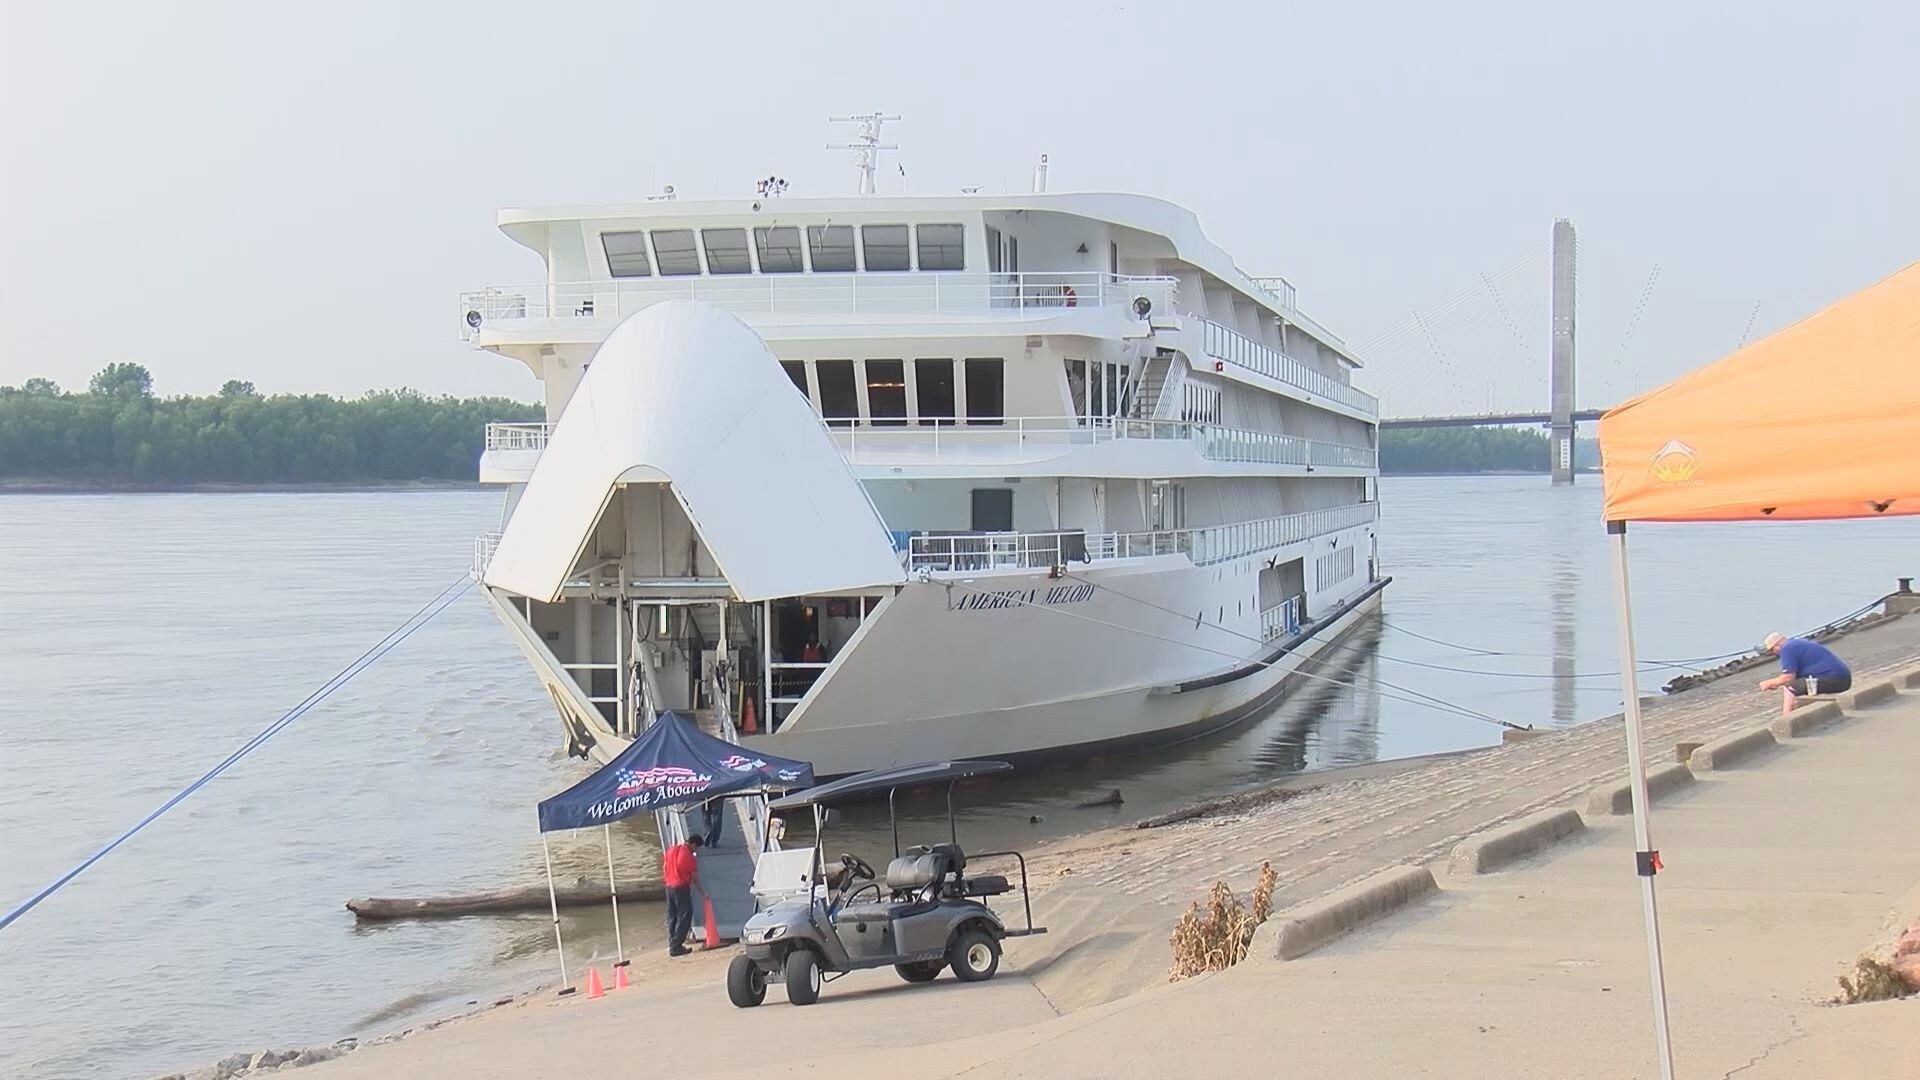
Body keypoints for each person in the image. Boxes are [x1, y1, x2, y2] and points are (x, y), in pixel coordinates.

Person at [1758, 631, 1852, 712]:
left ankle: (1787, 717)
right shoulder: (1797, 643)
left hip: (1834, 679)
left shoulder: (1787, 648)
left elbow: (1788, 677)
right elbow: (1793, 677)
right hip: (1841, 678)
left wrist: (1768, 683)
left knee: (1790, 688)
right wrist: (1777, 683)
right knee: (1799, 685)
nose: (1774, 654)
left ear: (1776, 647)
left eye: (1772, 651)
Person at [662, 835, 703, 956]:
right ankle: (676, 946)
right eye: (697, 848)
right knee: (685, 916)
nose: (696, 851)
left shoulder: (671, 850)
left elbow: (665, 867)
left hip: (669, 886)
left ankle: (672, 942)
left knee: (672, 916)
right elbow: (695, 878)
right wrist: (703, 893)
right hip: (681, 887)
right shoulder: (689, 856)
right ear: (694, 844)